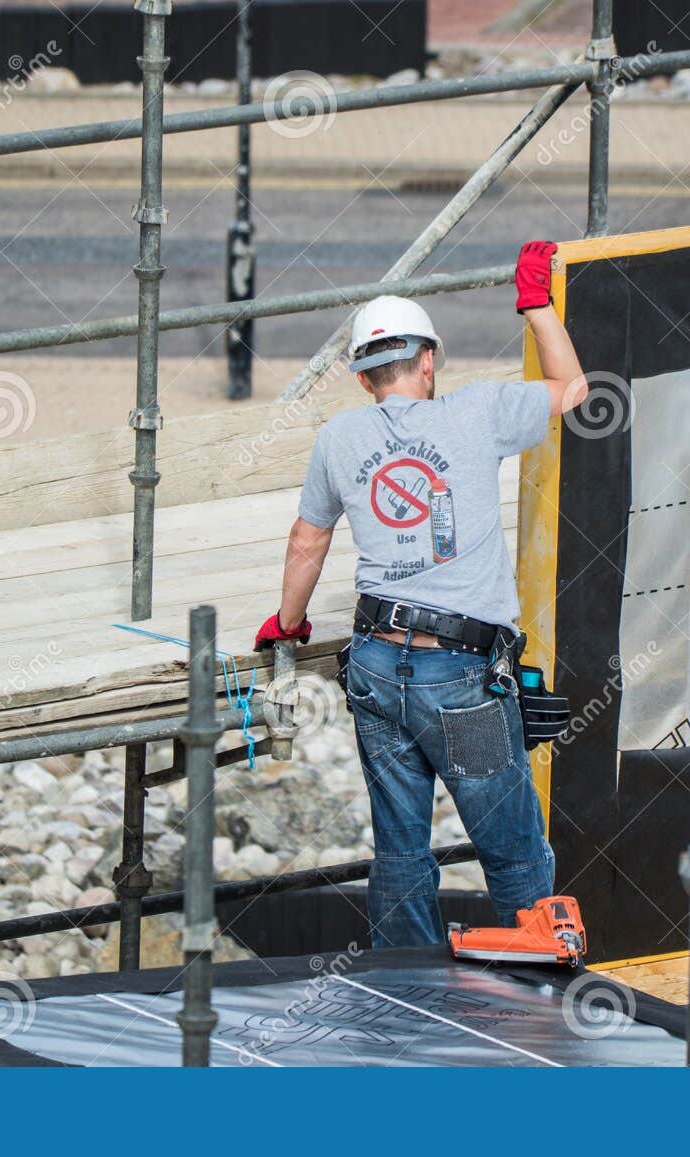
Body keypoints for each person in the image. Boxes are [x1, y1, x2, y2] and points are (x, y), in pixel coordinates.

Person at [255, 241, 588, 946]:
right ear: (428, 360)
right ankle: (550, 996)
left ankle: (402, 999)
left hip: (374, 665)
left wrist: (285, 625)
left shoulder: (338, 438)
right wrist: (536, 308)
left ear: (364, 375)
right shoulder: (479, 411)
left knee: (402, 852)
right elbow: (573, 390)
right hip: (460, 674)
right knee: (516, 853)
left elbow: (306, 542)